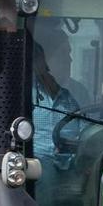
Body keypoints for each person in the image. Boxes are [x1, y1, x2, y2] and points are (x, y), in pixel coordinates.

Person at [29, 17, 85, 164]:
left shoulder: (80, 93)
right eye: (63, 55)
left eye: (69, 53)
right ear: (42, 61)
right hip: (34, 169)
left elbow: (89, 134)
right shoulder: (25, 92)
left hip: (72, 168)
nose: (70, 60)